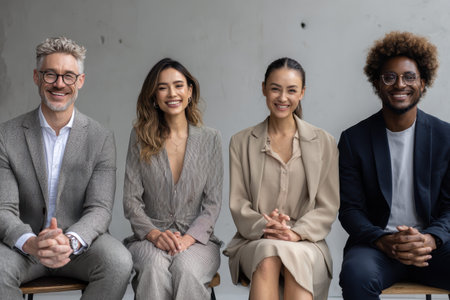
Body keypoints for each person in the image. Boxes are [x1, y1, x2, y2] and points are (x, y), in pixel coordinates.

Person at [0, 36, 132, 299]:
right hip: (24, 247)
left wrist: (69, 242)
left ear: (80, 81)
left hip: (79, 246)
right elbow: (3, 208)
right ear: (37, 77)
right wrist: (32, 242)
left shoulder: (100, 137)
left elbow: (100, 209)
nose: (59, 84)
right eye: (51, 75)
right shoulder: (7, 135)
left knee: (119, 263)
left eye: (69, 76)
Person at [338, 31, 450, 300]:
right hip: (377, 247)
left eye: (409, 76)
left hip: (432, 247)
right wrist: (383, 240)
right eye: (390, 77)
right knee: (356, 276)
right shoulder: (354, 140)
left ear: (423, 82)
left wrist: (431, 238)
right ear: (377, 83)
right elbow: (350, 210)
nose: (400, 84)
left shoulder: (445, 137)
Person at [223, 57, 339, 300]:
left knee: (291, 256)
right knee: (269, 252)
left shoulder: (324, 142)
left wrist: (296, 233)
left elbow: (327, 206)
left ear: (303, 93)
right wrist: (267, 227)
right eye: (275, 89)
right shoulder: (241, 142)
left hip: (308, 242)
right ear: (264, 88)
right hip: (254, 239)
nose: (282, 98)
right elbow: (238, 203)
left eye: (291, 90)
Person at [123, 58, 223, 300]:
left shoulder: (210, 139)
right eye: (162, 87)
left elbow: (212, 204)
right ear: (154, 96)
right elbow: (131, 202)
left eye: (178, 85)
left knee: (186, 270)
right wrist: (156, 235)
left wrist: (187, 240)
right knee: (153, 270)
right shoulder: (140, 137)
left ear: (190, 91)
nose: (172, 93)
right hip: (148, 236)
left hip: (197, 239)